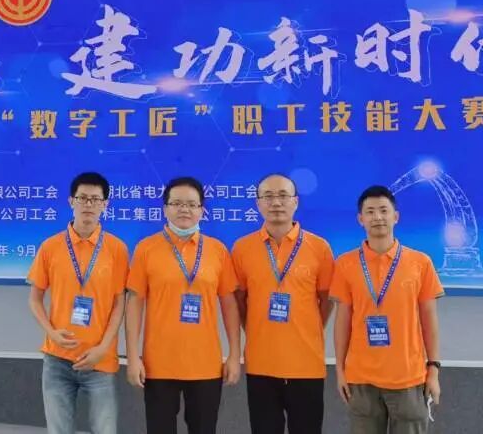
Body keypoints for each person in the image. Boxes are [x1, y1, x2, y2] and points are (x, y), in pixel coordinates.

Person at [125, 176, 241, 434]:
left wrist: (234, 355)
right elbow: (134, 303)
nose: (184, 209)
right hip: (158, 364)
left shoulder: (217, 250)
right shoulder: (146, 248)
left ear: (202, 210)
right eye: (177, 203)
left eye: (191, 204)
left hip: (206, 365)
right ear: (165, 208)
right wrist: (133, 357)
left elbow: (229, 305)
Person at [331, 185, 444, 434]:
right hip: (361, 378)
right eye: (370, 212)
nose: (377, 217)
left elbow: (429, 319)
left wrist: (433, 369)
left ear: (396, 216)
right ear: (360, 219)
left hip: (409, 377)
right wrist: (340, 370)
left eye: (384, 210)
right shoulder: (345, 264)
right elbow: (342, 321)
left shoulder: (420, 263)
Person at [231, 174, 335, 434]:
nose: (276, 203)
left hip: (306, 364)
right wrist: (256, 328)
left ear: (295, 202)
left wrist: (307, 327)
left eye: (283, 196)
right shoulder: (242, 248)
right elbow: (239, 300)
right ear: (258, 204)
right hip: (261, 364)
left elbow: (326, 300)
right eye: (268, 196)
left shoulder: (319, 248)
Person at [27, 171, 129, 434]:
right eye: (83, 198)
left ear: (105, 204)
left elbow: (119, 304)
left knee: (104, 429)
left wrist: (103, 348)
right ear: (71, 201)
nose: (88, 205)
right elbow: (35, 299)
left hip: (99, 360)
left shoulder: (117, 249)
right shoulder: (50, 247)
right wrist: (51, 333)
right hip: (57, 359)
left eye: (95, 199)